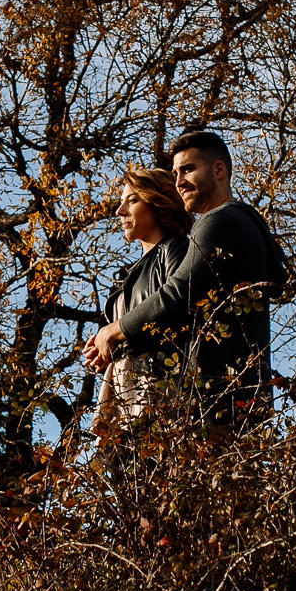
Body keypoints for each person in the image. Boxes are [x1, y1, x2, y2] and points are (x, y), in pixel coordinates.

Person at [83, 131, 287, 420]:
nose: (179, 181)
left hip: (217, 396)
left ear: (219, 170)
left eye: (188, 169)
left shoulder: (219, 220)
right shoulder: (235, 223)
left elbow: (178, 294)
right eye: (176, 172)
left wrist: (114, 331)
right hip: (234, 395)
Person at [93, 167, 193, 431]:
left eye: (132, 200)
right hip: (120, 392)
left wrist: (118, 332)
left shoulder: (177, 249)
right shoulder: (127, 275)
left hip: (157, 389)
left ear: (158, 202)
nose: (119, 211)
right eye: (121, 201)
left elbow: (177, 307)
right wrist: (103, 345)